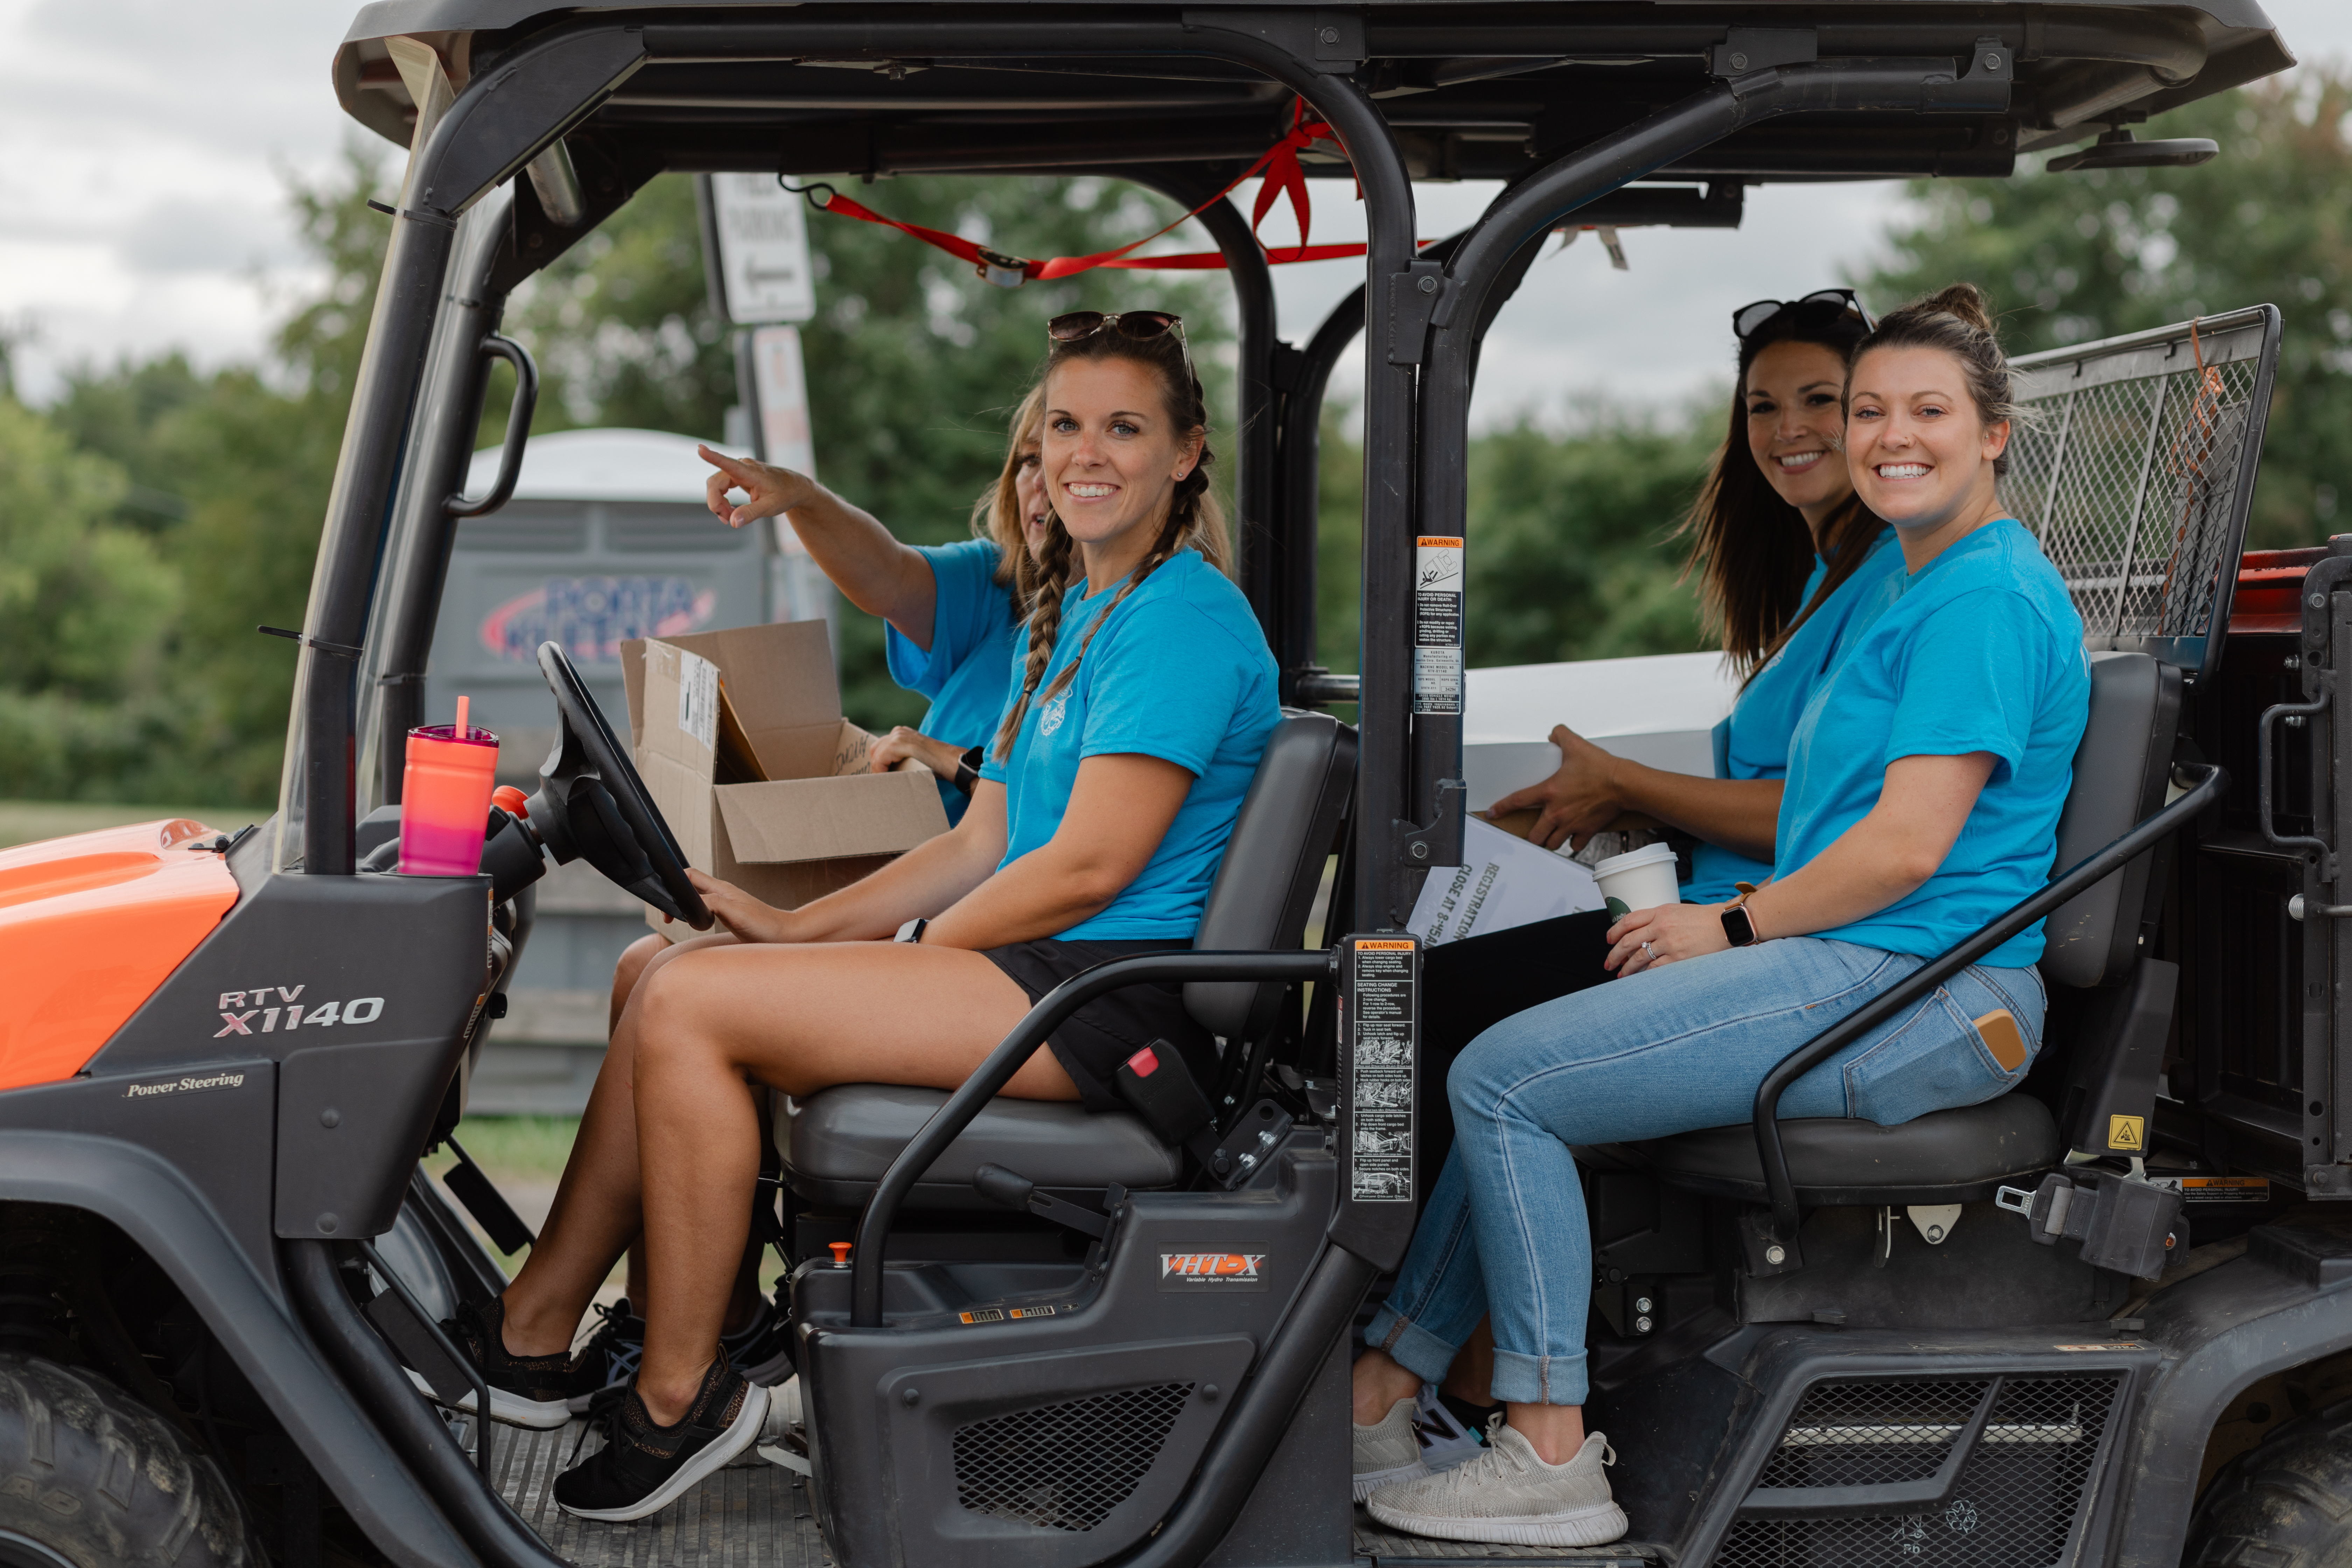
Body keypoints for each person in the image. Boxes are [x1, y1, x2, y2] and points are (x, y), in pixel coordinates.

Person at [432, 308, 1280, 1525]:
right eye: (1064, 427)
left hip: (1102, 996)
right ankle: (540, 1337)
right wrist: (797, 934)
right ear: (1034, 449)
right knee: (679, 970)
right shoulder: (1073, 611)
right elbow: (979, 839)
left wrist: (920, 950)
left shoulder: (1181, 622)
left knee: (690, 1007)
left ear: (1187, 452)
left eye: (1125, 428)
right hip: (1042, 964)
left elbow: (1089, 869)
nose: (1087, 454)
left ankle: (684, 1399)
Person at [1350, 282, 2090, 1548]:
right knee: (1524, 1060)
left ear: (1991, 432)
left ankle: (1540, 1450)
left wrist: (1729, 927)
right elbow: (1837, 820)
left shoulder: (1976, 598)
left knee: (1503, 1081)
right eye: (1870, 411)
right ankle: (1383, 1390)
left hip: (1920, 984)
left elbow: (1906, 848)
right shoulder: (1920, 583)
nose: (1883, 435)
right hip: (1864, 959)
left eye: (1922, 411)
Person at [1386, 293, 1909, 1444]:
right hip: (1721, 902)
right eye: (1763, 406)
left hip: (1777, 934)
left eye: (1821, 400)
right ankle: (1423, 1373)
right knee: (1441, 978)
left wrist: (1622, 785)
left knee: (1468, 1019)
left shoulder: (1906, 585)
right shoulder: (1830, 576)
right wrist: (1607, 809)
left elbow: (1828, 827)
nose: (1788, 428)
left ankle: (1452, 1386)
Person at [695, 385, 1051, 827]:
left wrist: (947, 759)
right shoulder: (997, 580)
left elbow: (1064, 805)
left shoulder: (1137, 625)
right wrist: (804, 497)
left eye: (1060, 461)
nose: (1040, 481)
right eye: (1030, 459)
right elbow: (887, 576)